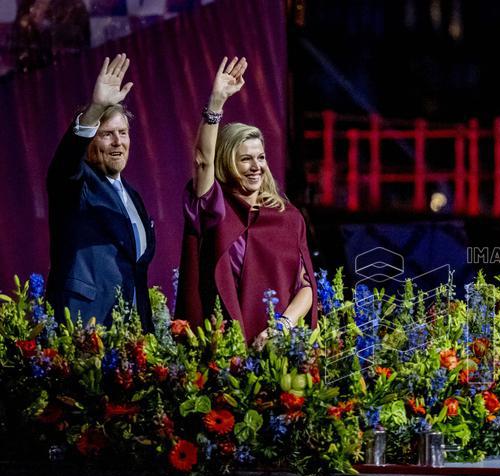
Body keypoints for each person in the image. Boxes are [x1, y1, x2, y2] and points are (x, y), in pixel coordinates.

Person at [176, 57, 316, 344]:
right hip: (220, 351)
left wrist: (283, 325)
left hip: (276, 349)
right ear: (227, 162)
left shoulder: (287, 217)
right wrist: (216, 102)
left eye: (261, 157)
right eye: (245, 159)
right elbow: (203, 161)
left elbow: (306, 287)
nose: (256, 166)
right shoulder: (214, 207)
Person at [46, 53, 156, 330]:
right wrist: (95, 110)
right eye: (107, 134)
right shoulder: (76, 183)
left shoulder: (133, 196)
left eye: (124, 132)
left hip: (131, 336)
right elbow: (65, 164)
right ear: (90, 139)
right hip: (84, 325)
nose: (118, 142)